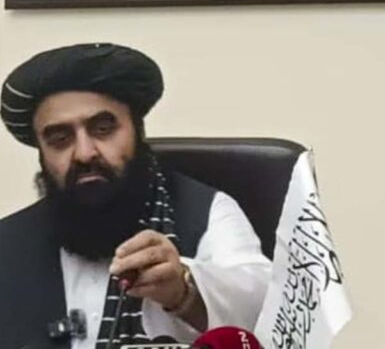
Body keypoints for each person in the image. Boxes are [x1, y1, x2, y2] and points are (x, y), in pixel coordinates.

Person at [0, 43, 271, 349]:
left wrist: (184, 290)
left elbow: (266, 308)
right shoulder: (8, 245)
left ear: (137, 131)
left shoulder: (206, 212)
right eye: (60, 139)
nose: (84, 153)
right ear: (42, 153)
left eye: (103, 128)